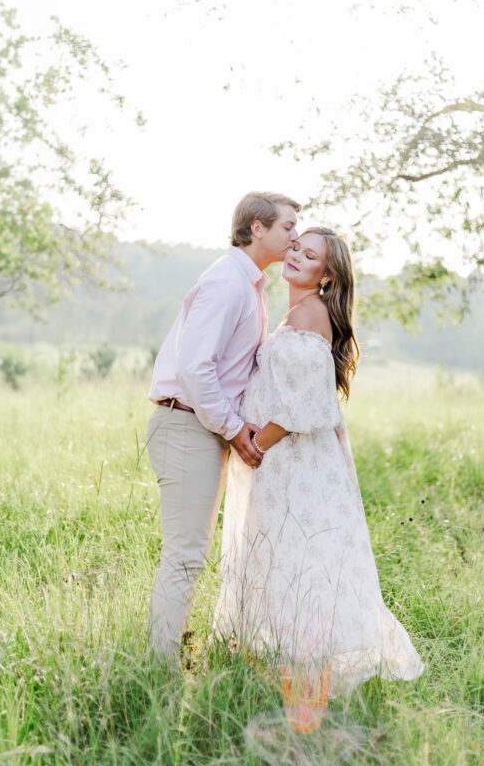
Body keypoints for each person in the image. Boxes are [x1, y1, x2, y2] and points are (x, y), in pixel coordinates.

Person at [213, 227, 424, 733]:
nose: (296, 257)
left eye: (310, 256)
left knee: (304, 582)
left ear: (325, 275)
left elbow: (306, 404)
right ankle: (299, 713)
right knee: (291, 581)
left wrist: (255, 442)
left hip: (297, 469)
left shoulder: (310, 314)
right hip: (286, 468)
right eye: (295, 247)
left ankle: (305, 720)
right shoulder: (294, 314)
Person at [146, 191, 301, 660]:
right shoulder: (227, 283)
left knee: (190, 557)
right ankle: (160, 671)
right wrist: (236, 429)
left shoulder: (250, 284)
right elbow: (196, 369)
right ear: (258, 228)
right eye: (288, 227)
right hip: (184, 425)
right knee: (185, 557)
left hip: (201, 428)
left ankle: (165, 660)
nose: (295, 235)